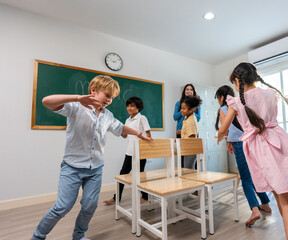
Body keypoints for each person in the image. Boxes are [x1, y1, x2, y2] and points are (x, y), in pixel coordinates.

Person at [31, 75, 152, 240]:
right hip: (72, 167)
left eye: (112, 98)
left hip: (95, 169)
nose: (109, 100)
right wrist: (78, 98)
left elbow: (120, 127)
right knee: (63, 206)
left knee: (90, 206)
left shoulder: (108, 115)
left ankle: (79, 235)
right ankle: (38, 236)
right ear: (93, 91)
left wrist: (138, 133)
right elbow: (47, 101)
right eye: (107, 95)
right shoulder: (76, 107)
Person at [217, 63, 288, 240]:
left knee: (285, 199)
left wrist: (221, 133)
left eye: (234, 83)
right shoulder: (270, 94)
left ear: (238, 81)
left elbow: (223, 130)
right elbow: (271, 118)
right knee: (284, 197)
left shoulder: (236, 102)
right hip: (278, 144)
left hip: (262, 151)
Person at [215, 85, 271, 227]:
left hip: (239, 144)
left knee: (245, 177)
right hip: (250, 141)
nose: (218, 101)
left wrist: (226, 140)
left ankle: (254, 209)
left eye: (217, 98)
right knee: (254, 174)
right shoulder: (240, 104)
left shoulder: (223, 109)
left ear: (222, 97)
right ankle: (265, 203)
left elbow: (226, 128)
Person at [103, 96, 151, 205]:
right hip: (129, 151)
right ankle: (117, 198)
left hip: (140, 152)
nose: (129, 108)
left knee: (140, 175)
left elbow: (148, 135)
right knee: (123, 174)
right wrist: (116, 128)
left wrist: (145, 148)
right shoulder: (127, 120)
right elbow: (124, 136)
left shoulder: (142, 118)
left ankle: (145, 197)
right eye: (128, 106)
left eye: (132, 106)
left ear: (138, 107)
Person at [180, 95, 202, 168]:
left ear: (191, 110)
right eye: (181, 108)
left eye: (184, 108)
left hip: (190, 149)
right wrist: (181, 132)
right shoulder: (189, 118)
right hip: (188, 149)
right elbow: (189, 132)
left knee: (188, 170)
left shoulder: (190, 121)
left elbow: (192, 137)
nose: (181, 110)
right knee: (188, 169)